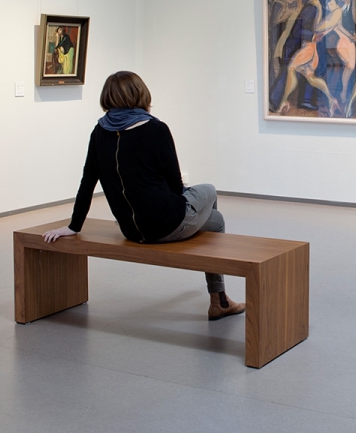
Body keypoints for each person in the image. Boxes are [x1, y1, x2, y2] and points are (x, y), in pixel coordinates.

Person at [42, 71, 246, 320]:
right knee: (210, 191)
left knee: (216, 220)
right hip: (166, 224)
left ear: (107, 98)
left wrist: (74, 226)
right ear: (140, 94)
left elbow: (87, 183)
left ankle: (220, 301)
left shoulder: (99, 133)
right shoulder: (156, 129)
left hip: (130, 230)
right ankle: (219, 299)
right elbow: (176, 186)